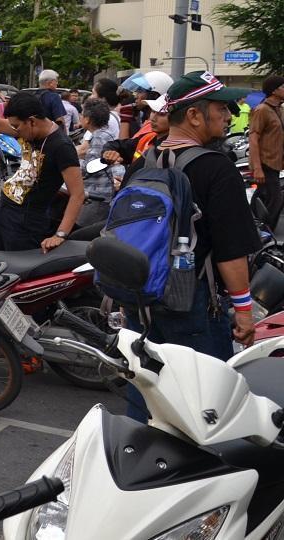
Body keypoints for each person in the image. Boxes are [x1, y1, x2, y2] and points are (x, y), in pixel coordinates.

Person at [121, 71, 259, 422]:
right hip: (194, 300)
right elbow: (230, 251)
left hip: (142, 297)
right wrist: (243, 310)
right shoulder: (217, 168)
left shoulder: (143, 161)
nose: (229, 114)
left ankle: (142, 462)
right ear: (195, 115)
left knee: (148, 387)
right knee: (205, 404)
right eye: (222, 107)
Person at [0, 90, 86, 252]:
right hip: (5, 209)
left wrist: (60, 234)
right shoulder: (26, 128)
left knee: (15, 272)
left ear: (32, 121)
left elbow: (78, 194)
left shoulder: (61, 146)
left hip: (26, 221)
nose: (15, 131)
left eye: (16, 126)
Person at [75, 99, 125, 228]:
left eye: (82, 114)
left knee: (79, 230)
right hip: (104, 193)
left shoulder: (98, 137)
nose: (80, 117)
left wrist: (71, 162)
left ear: (87, 119)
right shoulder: (106, 134)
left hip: (97, 194)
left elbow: (89, 167)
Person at [249, 75, 284, 228]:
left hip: (276, 163)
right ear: (274, 91)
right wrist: (257, 167)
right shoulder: (262, 110)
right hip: (265, 163)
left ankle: (254, 228)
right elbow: (253, 138)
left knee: (263, 198)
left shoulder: (278, 110)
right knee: (275, 199)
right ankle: (263, 232)